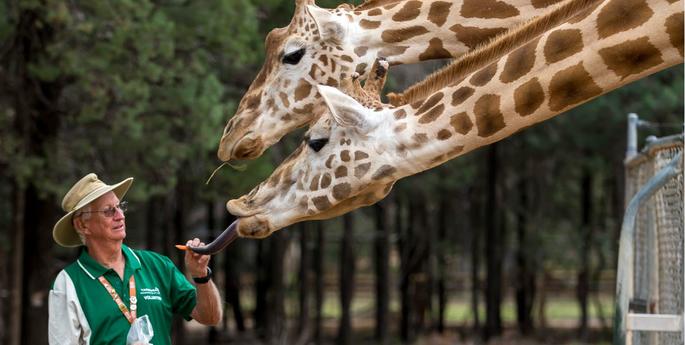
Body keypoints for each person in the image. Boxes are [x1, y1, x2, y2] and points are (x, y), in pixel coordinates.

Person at [48, 173, 222, 344]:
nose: (120, 215)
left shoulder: (158, 265)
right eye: (109, 211)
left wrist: (201, 275)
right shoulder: (68, 283)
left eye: (120, 206)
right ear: (82, 224)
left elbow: (211, 317)